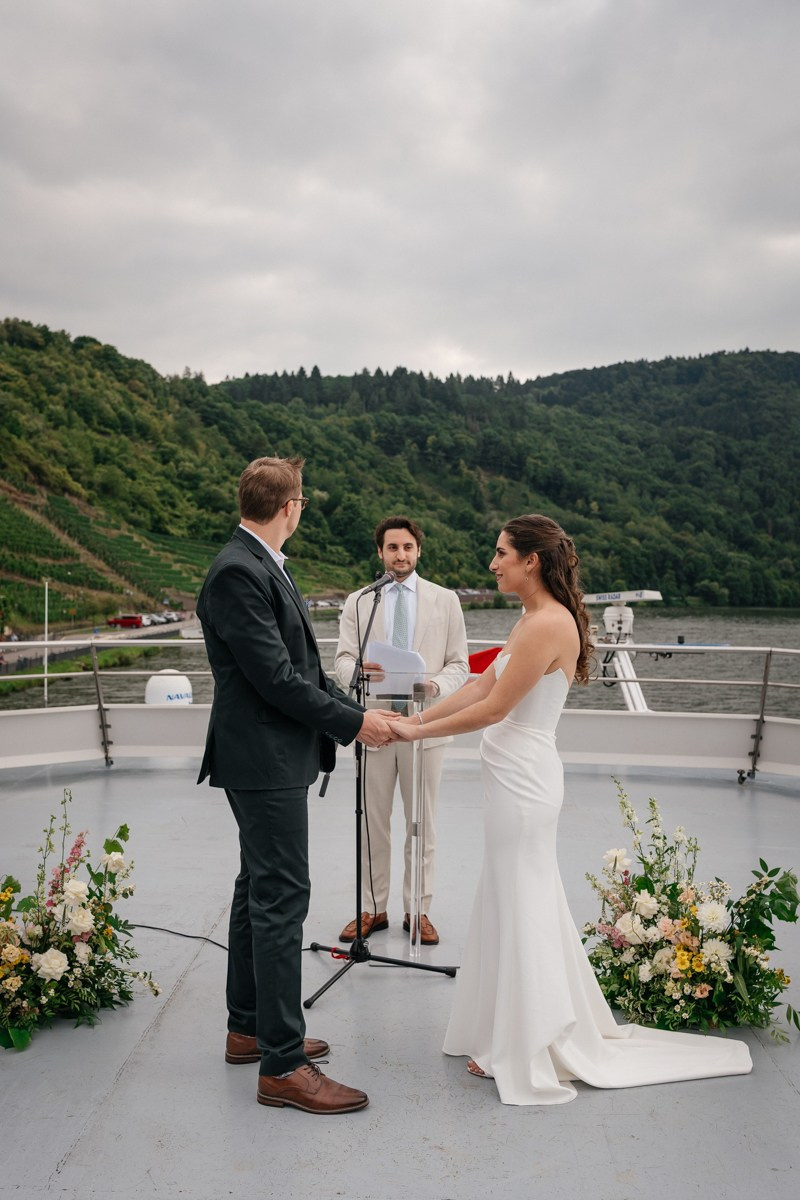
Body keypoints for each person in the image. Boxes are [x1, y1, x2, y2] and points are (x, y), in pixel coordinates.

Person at [391, 514, 752, 1105]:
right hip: (510, 779)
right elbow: (480, 688)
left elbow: (493, 710)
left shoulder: (546, 624)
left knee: (523, 894)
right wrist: (416, 719)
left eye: (502, 553)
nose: (493, 563)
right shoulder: (531, 618)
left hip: (524, 781)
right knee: (509, 892)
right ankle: (506, 1028)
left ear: (531, 559)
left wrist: (410, 736)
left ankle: (529, 1040)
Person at [197, 455, 396, 1115]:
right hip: (263, 761)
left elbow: (299, 669)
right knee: (282, 897)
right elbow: (276, 681)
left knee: (257, 887)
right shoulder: (237, 572)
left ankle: (247, 1027)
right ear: (292, 507)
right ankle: (281, 1065)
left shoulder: (258, 565)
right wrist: (356, 723)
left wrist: (354, 711)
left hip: (271, 757)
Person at [334, 516, 468, 945]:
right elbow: (340, 661)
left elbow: (460, 664)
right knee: (372, 824)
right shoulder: (359, 601)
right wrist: (357, 674)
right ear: (380, 552)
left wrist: (434, 685)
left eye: (408, 547)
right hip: (373, 726)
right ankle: (373, 907)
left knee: (421, 823)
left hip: (424, 724)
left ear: (418, 550)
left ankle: (418, 910)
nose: (401, 555)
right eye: (392, 548)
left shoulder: (445, 600)